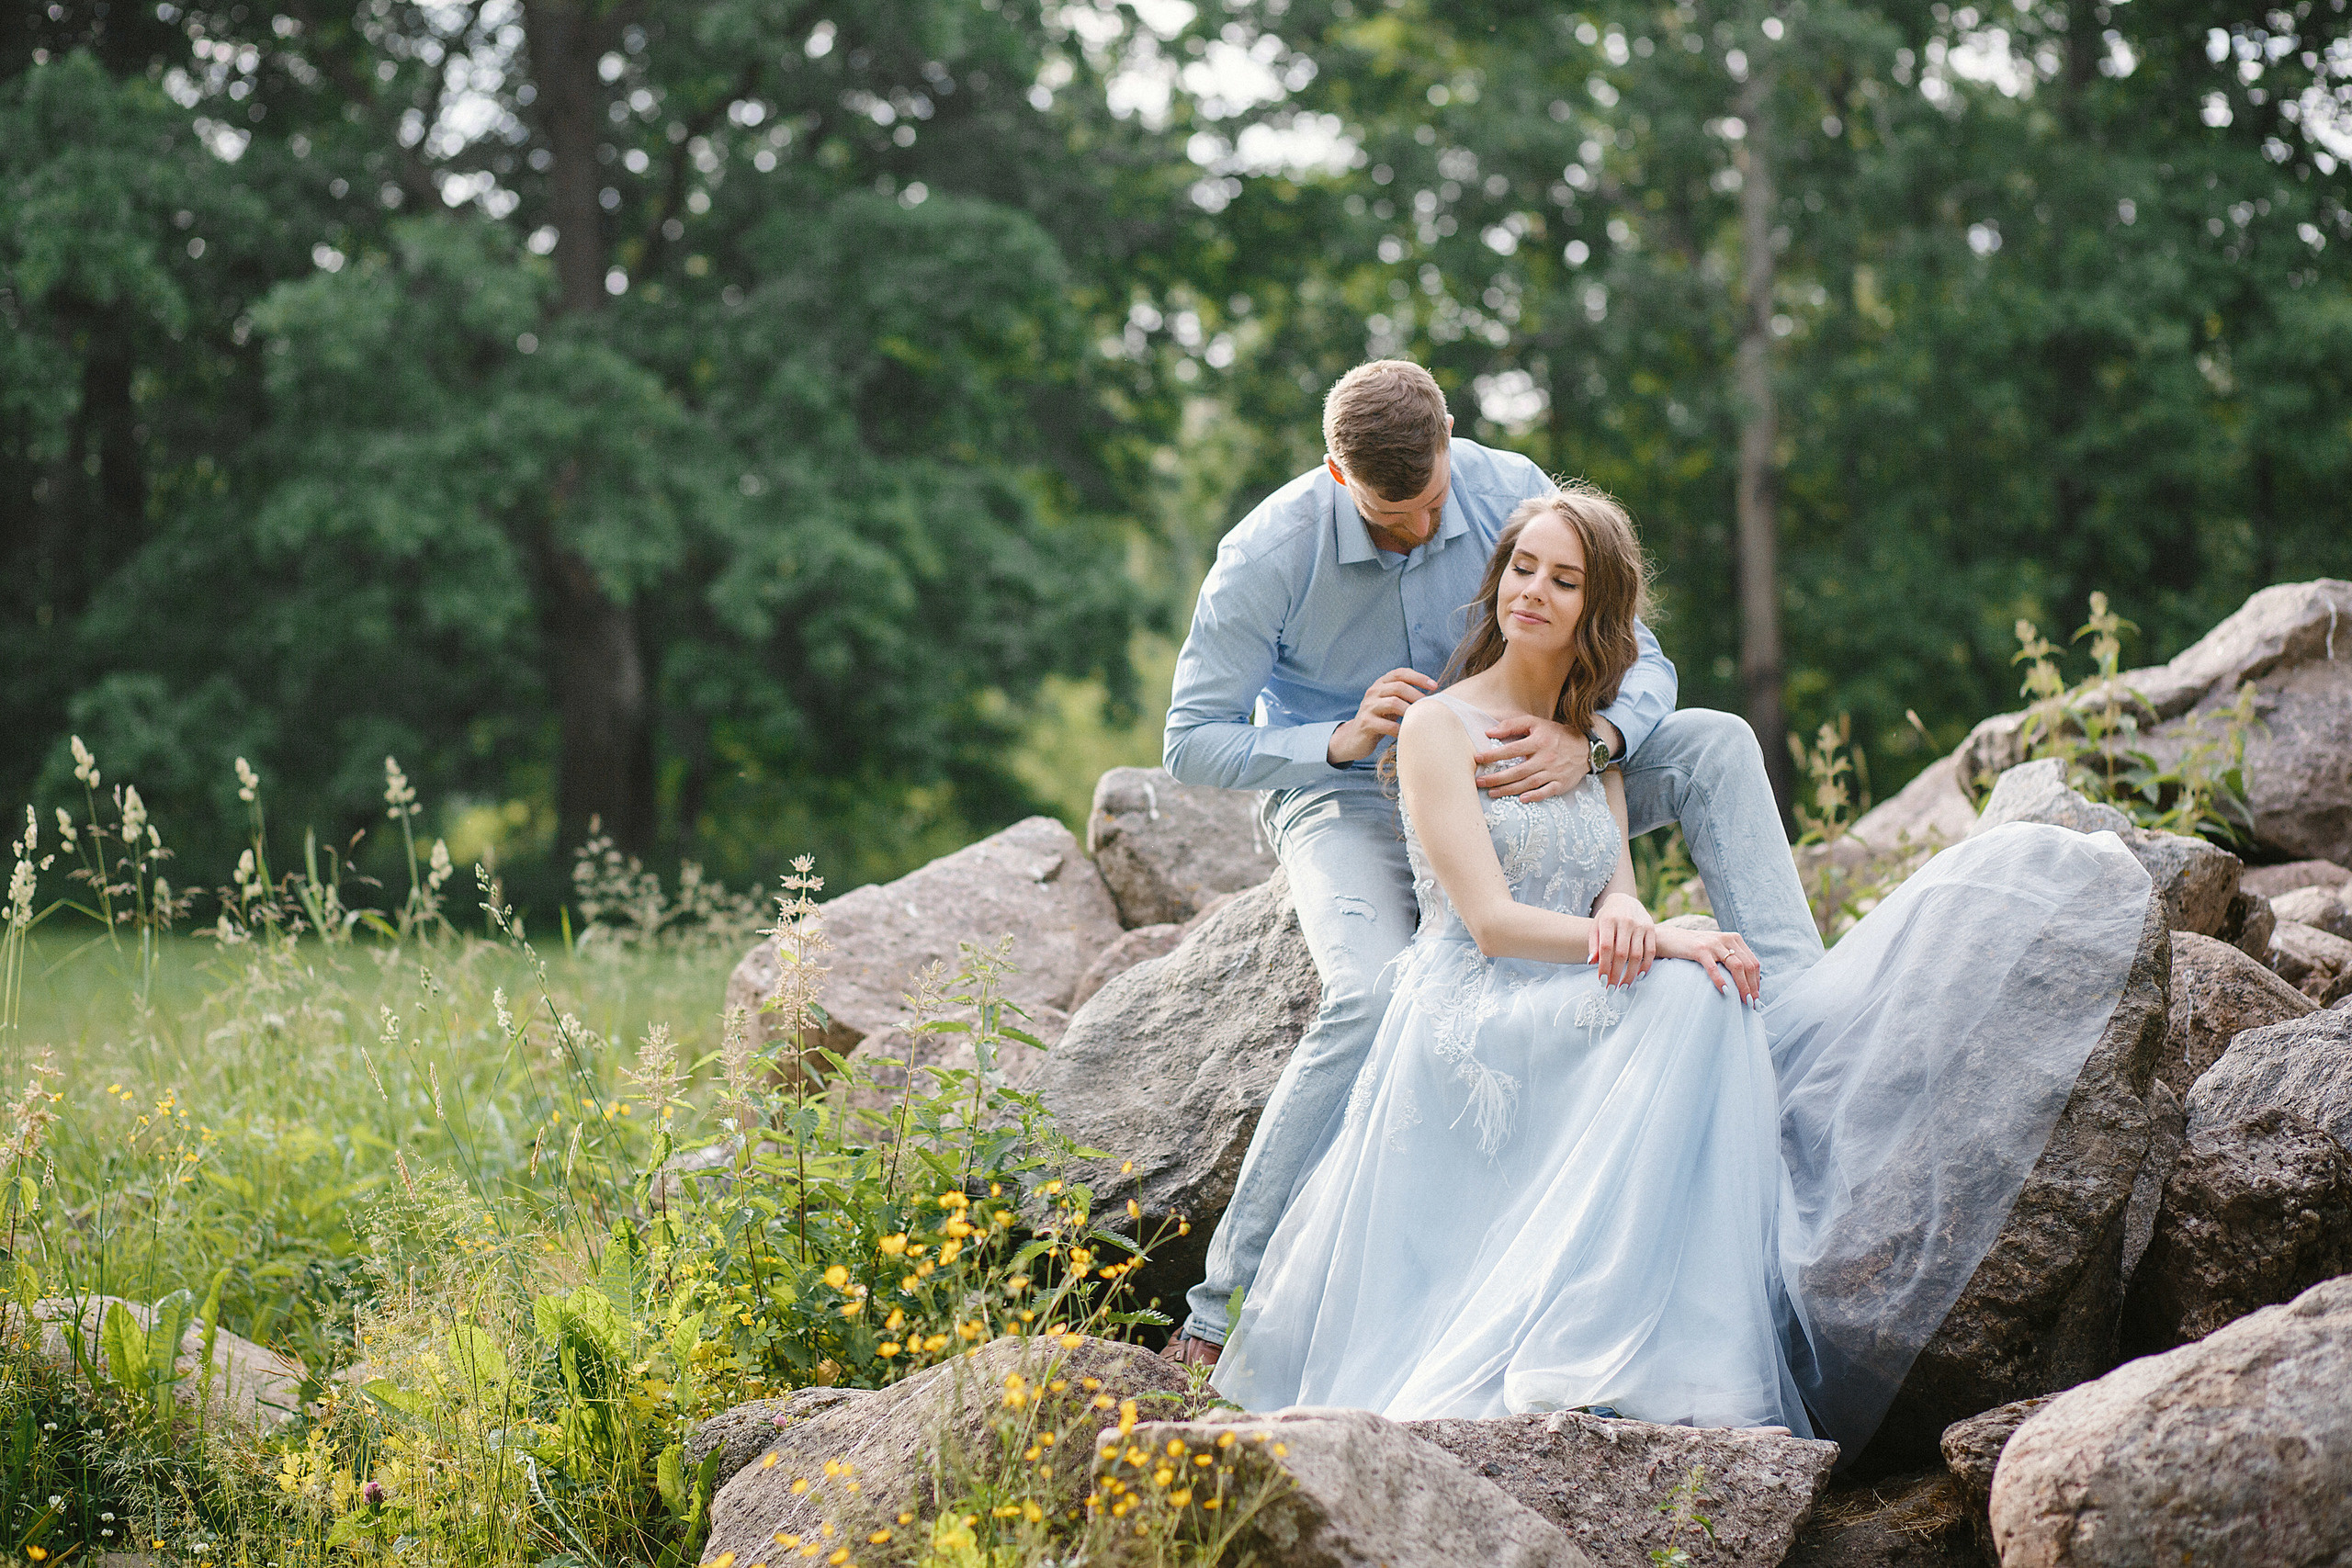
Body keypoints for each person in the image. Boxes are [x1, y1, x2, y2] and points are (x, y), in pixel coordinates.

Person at [1207, 487, 2154, 1443]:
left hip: (1562, 990)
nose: (1531, 591)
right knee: (1691, 978)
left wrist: (1644, 919)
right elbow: (1489, 924)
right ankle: (1612, 1335)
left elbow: (1613, 888)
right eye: (1521, 568)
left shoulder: (1587, 743)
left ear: (1596, 611)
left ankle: (1665, 1335)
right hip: (1476, 1012)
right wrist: (1663, 938)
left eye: (1562, 579)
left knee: (1705, 975)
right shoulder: (1436, 729)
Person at [1159, 360, 1820, 1366]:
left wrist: (1592, 742)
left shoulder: (1508, 483)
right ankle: (1221, 1310)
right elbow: (1189, 738)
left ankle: (1809, 1034)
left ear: (1452, 439)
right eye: (1391, 518)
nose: (1421, 531)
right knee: (1370, 994)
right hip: (1347, 792)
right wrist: (1336, 736)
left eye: (1430, 505)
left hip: (1530, 773)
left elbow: (1640, 652)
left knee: (1718, 741)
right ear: (1337, 475)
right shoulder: (1266, 553)